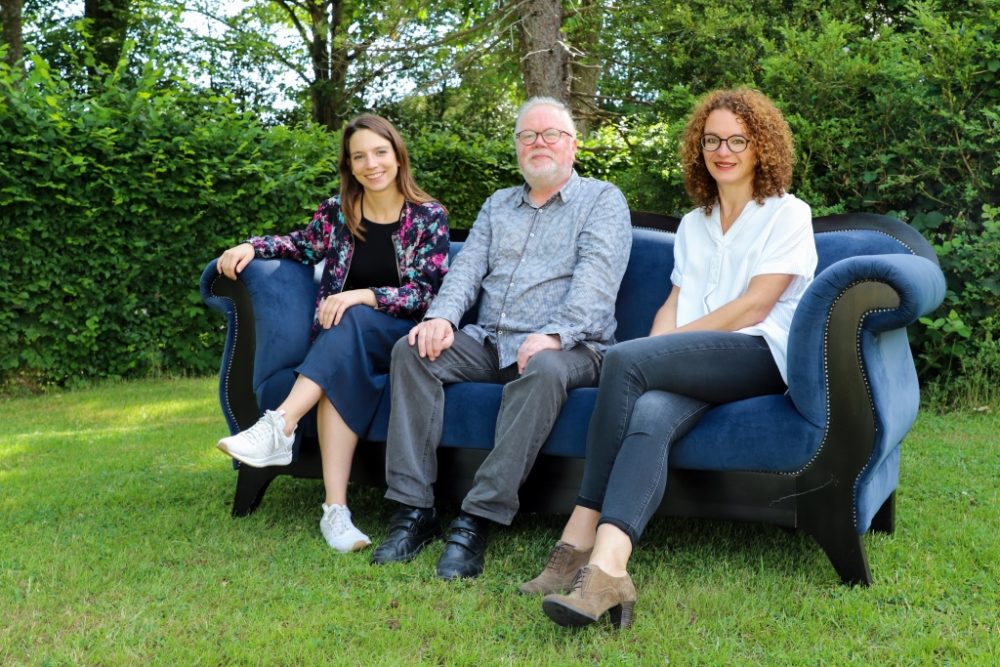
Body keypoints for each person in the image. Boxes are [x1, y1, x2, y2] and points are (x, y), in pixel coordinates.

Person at [524, 88, 818, 629]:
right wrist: (661, 347)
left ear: (761, 147)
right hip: (695, 359)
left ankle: (578, 529)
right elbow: (675, 302)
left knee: (625, 362)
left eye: (737, 140)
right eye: (712, 140)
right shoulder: (693, 223)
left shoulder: (788, 214)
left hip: (759, 355)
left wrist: (652, 351)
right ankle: (607, 571)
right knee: (651, 412)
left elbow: (756, 304)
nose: (722, 151)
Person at [369, 96, 633, 580]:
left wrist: (555, 334)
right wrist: (442, 319)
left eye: (550, 134)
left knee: (544, 368)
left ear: (572, 146)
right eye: (527, 135)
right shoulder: (497, 205)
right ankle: (413, 510)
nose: (539, 143)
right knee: (411, 352)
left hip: (575, 347)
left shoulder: (602, 200)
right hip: (490, 340)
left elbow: (598, 277)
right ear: (516, 147)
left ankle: (476, 519)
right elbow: (465, 271)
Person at [215, 114, 449, 554]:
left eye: (379, 152)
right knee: (339, 345)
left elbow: (425, 293)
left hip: (403, 339)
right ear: (349, 164)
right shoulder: (337, 211)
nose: (371, 164)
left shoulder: (428, 216)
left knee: (348, 319)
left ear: (398, 156)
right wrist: (252, 246)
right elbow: (301, 245)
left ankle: (280, 425)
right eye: (359, 156)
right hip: (343, 341)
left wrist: (361, 295)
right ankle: (335, 512)